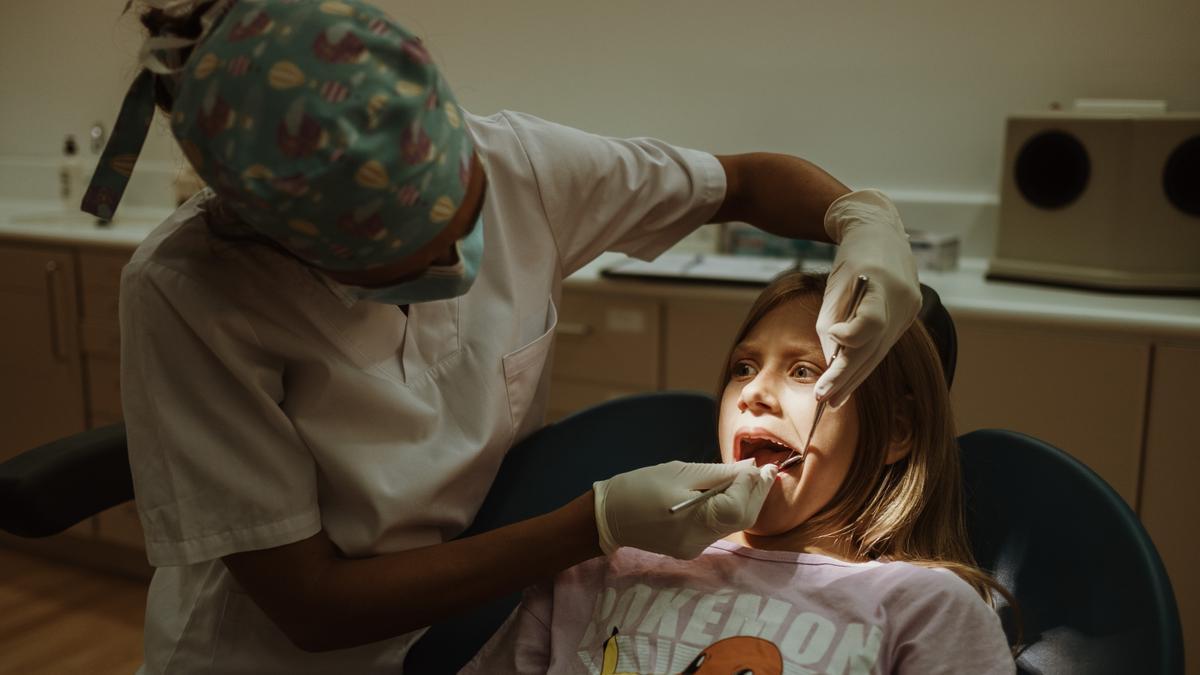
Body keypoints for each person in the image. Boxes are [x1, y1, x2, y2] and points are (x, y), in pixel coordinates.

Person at [88, 1, 922, 671]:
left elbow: (742, 182)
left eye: (466, 212)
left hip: (469, 625)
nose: (459, 261)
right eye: (412, 257)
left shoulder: (520, 162)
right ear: (305, 251)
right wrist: (593, 527)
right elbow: (311, 605)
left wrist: (861, 219)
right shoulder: (188, 290)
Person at [460, 271, 1016, 675]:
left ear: (896, 431)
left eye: (804, 371)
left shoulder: (925, 607)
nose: (754, 392)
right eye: (743, 367)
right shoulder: (602, 565)